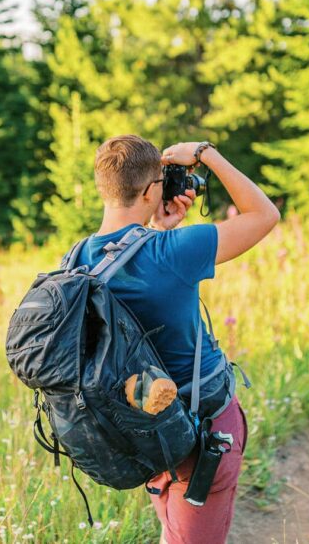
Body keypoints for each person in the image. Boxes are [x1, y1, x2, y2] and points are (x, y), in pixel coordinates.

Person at [72, 135, 279, 543]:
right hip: (200, 431)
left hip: (139, 430)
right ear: (152, 190)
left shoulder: (76, 259)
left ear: (103, 188)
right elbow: (264, 214)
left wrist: (153, 228)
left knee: (174, 532)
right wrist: (206, 154)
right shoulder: (173, 251)